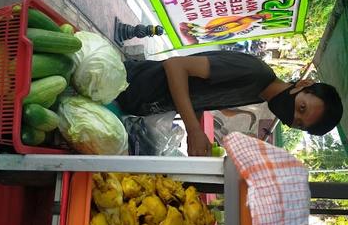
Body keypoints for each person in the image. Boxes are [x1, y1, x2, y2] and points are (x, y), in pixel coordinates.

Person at [116, 51, 343, 156]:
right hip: (126, 83)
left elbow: (197, 96)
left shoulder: (257, 95)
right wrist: (194, 130)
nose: (293, 116)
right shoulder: (253, 73)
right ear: (303, 84)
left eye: (299, 123)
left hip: (136, 105)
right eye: (301, 107)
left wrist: (194, 136)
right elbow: (175, 66)